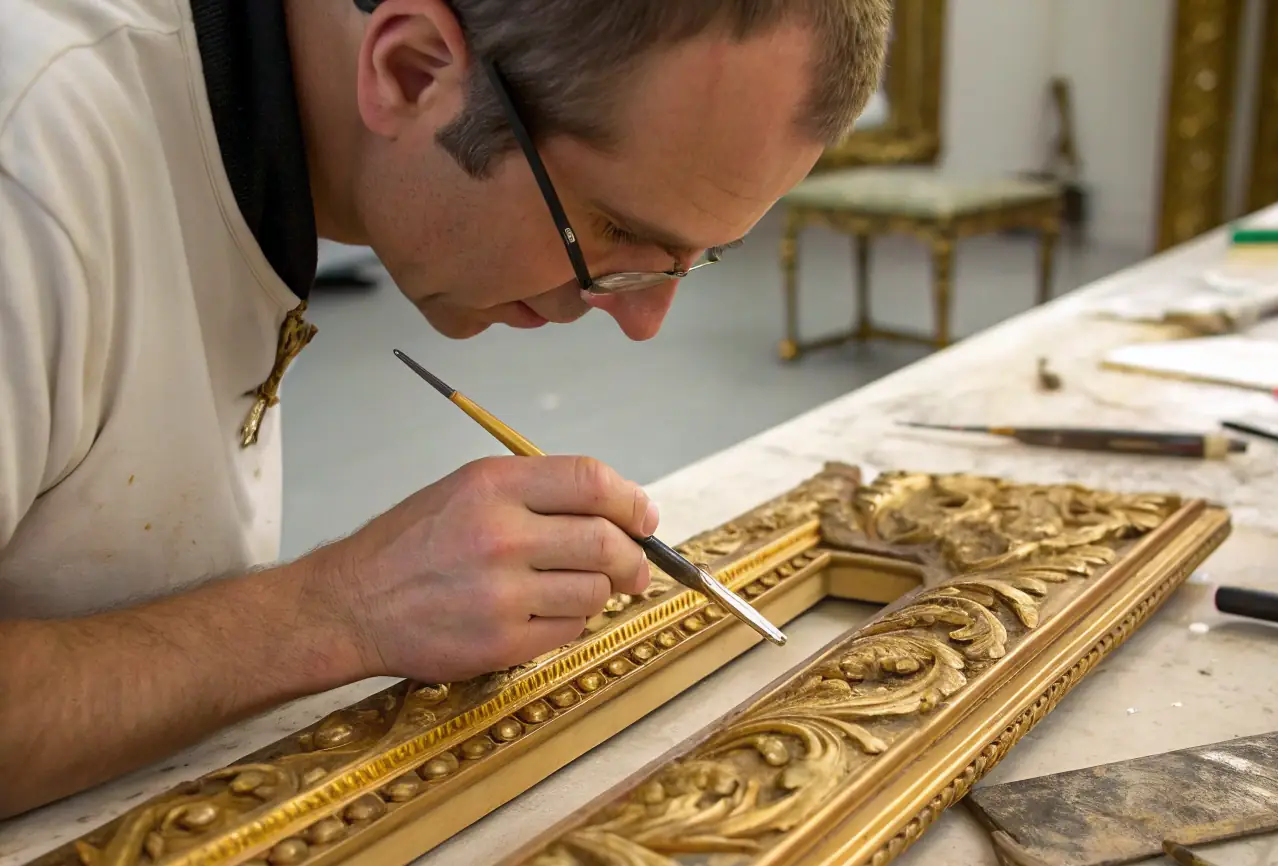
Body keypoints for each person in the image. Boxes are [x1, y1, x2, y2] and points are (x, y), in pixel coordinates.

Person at [0, 0, 891, 817]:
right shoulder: (30, 158)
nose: (643, 320)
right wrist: (334, 610)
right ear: (411, 70)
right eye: (618, 232)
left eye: (701, 257)